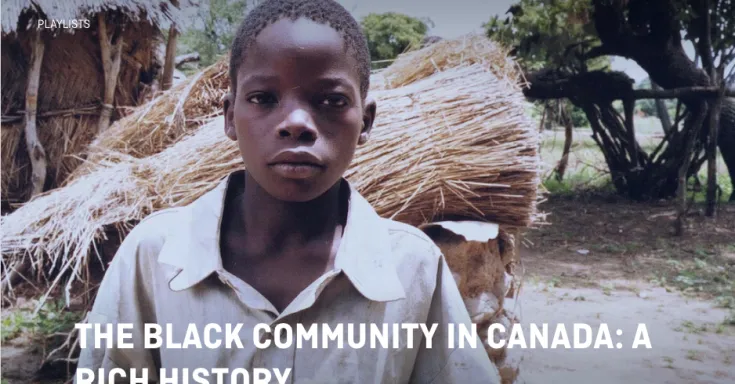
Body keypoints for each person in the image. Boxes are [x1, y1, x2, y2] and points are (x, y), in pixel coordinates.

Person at [75, 0, 500, 383]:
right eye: (263, 98)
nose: (296, 122)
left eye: (331, 101)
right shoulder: (156, 257)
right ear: (229, 117)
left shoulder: (412, 269)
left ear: (366, 122)